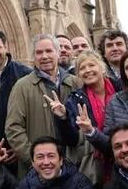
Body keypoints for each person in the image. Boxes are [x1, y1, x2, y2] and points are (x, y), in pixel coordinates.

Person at [5, 35, 79, 176]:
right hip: (36, 171)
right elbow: (13, 128)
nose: (44, 56)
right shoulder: (22, 87)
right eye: (39, 53)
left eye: (49, 51)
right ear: (33, 57)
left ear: (58, 53)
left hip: (73, 167)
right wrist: (34, 159)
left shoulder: (75, 83)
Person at [51, 50, 117, 188]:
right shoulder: (75, 99)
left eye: (91, 65)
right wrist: (62, 117)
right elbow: (71, 140)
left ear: (102, 68)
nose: (87, 71)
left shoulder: (120, 89)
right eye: (82, 68)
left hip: (123, 154)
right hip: (95, 166)